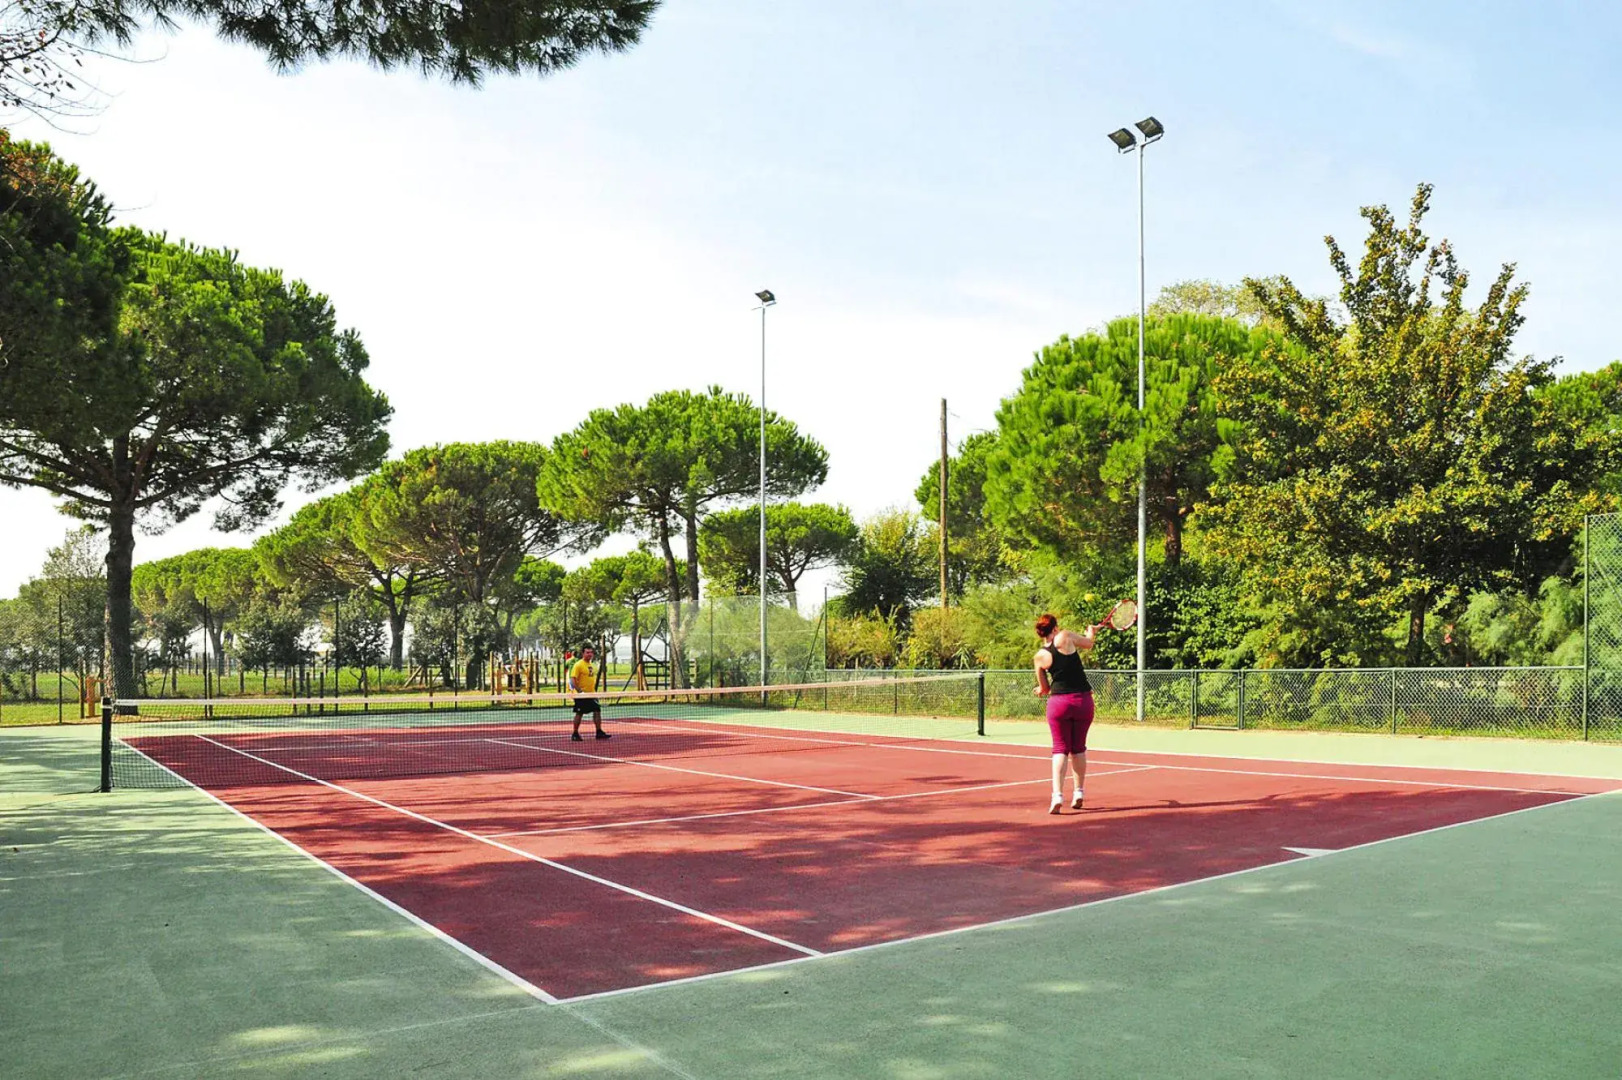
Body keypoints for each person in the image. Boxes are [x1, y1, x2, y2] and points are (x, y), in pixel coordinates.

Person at [1033, 612, 1096, 813]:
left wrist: (1039, 690)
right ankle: (1079, 792)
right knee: (1078, 748)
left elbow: (1044, 689)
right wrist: (1091, 632)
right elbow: (1088, 644)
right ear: (1055, 628)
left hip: (1058, 703)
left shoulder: (1039, 657)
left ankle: (1057, 796)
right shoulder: (1066, 637)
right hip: (1082, 701)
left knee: (1060, 748)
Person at [569, 646, 610, 741]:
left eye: (591, 652)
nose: (589, 654)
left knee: (597, 711)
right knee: (579, 713)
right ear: (583, 653)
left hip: (592, 694)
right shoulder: (578, 665)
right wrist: (580, 692)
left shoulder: (592, 665)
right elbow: (572, 680)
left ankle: (599, 732)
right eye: (587, 652)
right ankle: (575, 733)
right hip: (581, 695)